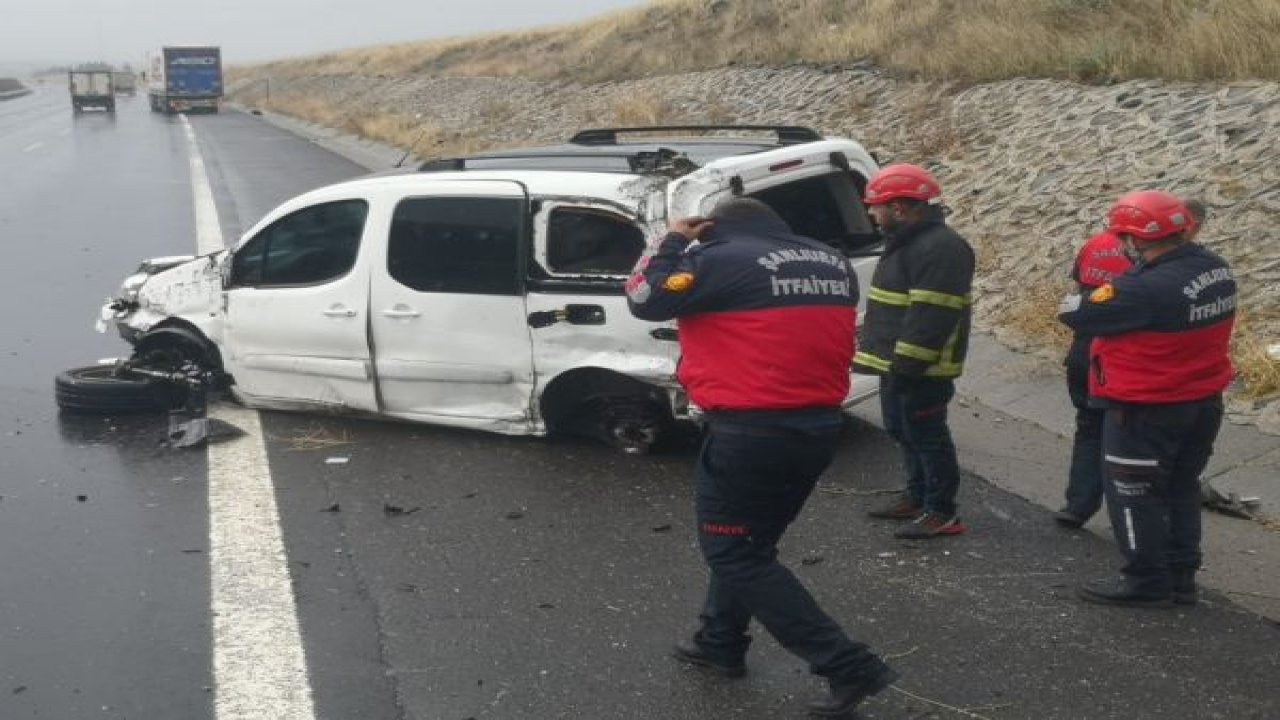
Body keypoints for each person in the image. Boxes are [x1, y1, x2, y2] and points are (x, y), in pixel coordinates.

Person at [627, 197, 898, 717]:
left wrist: (672, 240)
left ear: (714, 229)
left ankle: (847, 665)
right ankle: (718, 641)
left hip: (752, 432)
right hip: (817, 427)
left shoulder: (718, 258)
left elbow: (645, 297)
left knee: (735, 552)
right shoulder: (830, 261)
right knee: (748, 544)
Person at [1058, 190, 1235, 608]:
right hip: (1202, 400)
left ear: (1137, 238)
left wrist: (1105, 289)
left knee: (1133, 495)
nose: (1120, 244)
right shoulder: (1216, 269)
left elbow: (1077, 312)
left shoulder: (1142, 289)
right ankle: (1181, 576)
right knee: (1180, 488)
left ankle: (1145, 580)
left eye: (1123, 236)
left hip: (1145, 408)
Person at [1054, 199, 1208, 529]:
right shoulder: (1173, 274)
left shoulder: (1096, 245)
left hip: (1086, 354)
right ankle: (1134, 527)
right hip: (1122, 371)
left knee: (1089, 432)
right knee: (1130, 466)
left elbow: (1076, 298)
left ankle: (1078, 506)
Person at [853, 164, 975, 539]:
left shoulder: (941, 248)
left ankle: (941, 511)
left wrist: (908, 365)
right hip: (899, 364)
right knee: (902, 430)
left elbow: (931, 315)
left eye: (876, 207)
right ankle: (918, 495)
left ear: (901, 208)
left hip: (922, 369)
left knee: (927, 436)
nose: (872, 214)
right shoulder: (908, 242)